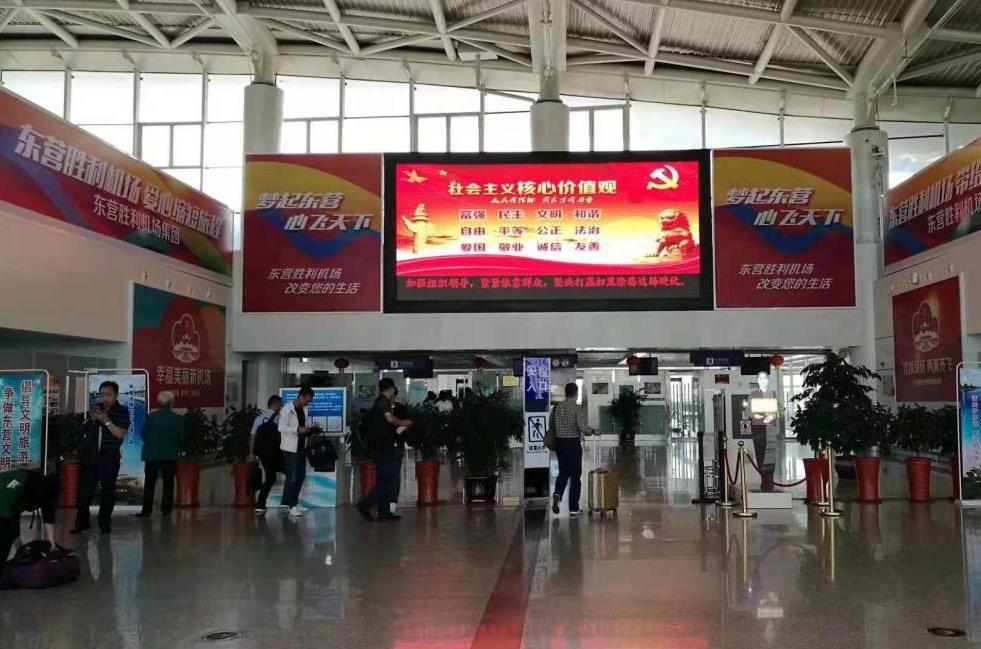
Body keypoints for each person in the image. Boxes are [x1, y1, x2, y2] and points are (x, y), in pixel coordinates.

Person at [73, 381, 131, 534]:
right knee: (84, 491)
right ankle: (81, 523)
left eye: (108, 395)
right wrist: (92, 419)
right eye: (102, 395)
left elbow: (120, 433)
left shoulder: (123, 411)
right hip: (91, 456)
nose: (105, 398)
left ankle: (104, 524)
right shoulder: (96, 407)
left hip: (109, 456)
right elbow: (83, 430)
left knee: (108, 492)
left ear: (116, 395)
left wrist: (106, 420)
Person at [357, 378, 412, 522]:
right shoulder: (382, 402)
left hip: (382, 446)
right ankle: (366, 503)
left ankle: (384, 512)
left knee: (385, 480)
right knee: (386, 480)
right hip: (384, 447)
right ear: (391, 389)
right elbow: (390, 420)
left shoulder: (380, 402)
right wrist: (404, 422)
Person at [0, 468, 62, 582]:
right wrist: (51, 541)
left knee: (9, 532)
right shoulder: (42, 489)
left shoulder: (36, 481)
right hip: (3, 499)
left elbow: (15, 513)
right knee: (5, 537)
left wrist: (19, 544)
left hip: (7, 493)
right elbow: (48, 512)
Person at [137, 391, 183, 518]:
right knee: (168, 483)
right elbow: (181, 438)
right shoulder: (177, 418)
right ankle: (166, 510)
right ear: (171, 403)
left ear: (158, 402)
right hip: (170, 455)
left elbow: (143, 435)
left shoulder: (151, 417)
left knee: (149, 483)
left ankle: (146, 510)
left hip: (152, 455)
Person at [550, 383, 592, 517]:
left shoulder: (558, 408)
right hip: (573, 444)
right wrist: (591, 431)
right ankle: (573, 508)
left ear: (566, 393)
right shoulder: (576, 408)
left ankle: (557, 494)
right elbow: (583, 428)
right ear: (576, 393)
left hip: (560, 444)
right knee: (575, 476)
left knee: (563, 472)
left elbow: (552, 425)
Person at [279, 386, 314, 517]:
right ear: (301, 397)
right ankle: (291, 505)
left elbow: (303, 426)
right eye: (307, 400)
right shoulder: (287, 409)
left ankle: (293, 502)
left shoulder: (304, 409)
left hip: (301, 447)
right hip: (290, 449)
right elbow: (281, 427)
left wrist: (310, 429)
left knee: (300, 476)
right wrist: (297, 429)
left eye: (309, 401)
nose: (307, 403)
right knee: (292, 477)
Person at [253, 395, 284, 513]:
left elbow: (252, 436)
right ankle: (289, 502)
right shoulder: (279, 418)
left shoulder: (259, 418)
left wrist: (252, 453)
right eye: (280, 404)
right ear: (275, 404)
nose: (281, 407)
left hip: (264, 454)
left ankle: (260, 504)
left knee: (270, 478)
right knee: (292, 473)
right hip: (276, 453)